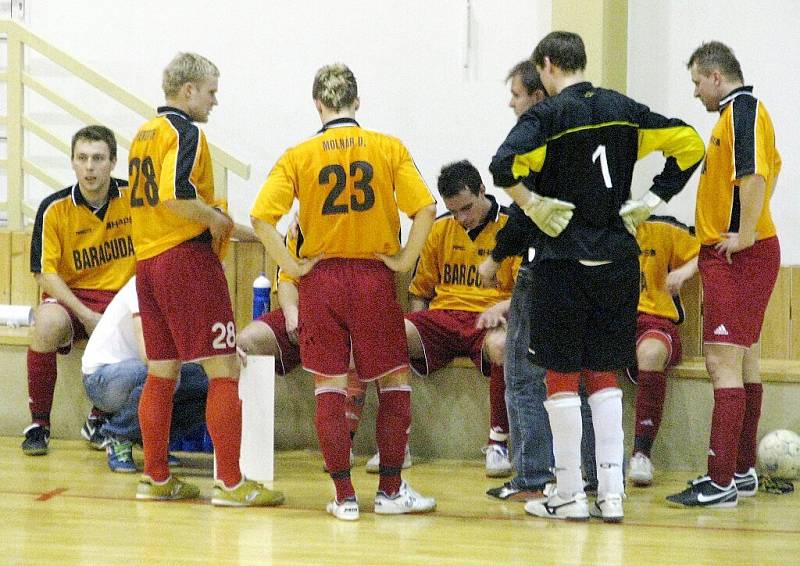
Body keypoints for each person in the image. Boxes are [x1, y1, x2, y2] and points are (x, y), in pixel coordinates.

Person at [490, 31, 705, 522]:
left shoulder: (546, 115)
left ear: (546, 65)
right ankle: (611, 493)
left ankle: (568, 494)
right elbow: (690, 143)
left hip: (562, 262)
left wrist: (532, 203)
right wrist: (654, 199)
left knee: (561, 376)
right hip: (617, 260)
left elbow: (503, 165)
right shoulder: (625, 108)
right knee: (605, 375)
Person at [251, 63, 437, 521]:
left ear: (318, 104)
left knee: (328, 388)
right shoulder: (387, 147)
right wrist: (405, 261)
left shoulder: (298, 154)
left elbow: (260, 219)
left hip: (322, 280)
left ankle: (344, 496)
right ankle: (391, 492)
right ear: (358, 101)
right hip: (373, 276)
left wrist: (291, 265)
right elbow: (426, 208)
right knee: (394, 382)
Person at [128, 52, 283, 506]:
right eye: (211, 91)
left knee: (161, 373)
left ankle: (155, 477)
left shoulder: (143, 133)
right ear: (189, 90)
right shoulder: (185, 131)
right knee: (224, 369)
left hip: (148, 263)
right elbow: (175, 196)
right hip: (184, 261)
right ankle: (232, 484)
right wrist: (215, 217)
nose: (215, 102)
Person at [667, 41, 781, 508]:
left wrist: (746, 235)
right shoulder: (729, 118)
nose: (695, 92)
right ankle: (741, 470)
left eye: (697, 82)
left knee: (721, 363)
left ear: (717, 77)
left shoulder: (743, 111)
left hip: (743, 257)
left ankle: (720, 482)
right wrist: (701, 259)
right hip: (729, 254)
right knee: (745, 360)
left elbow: (753, 176)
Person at [483, 60, 596, 500]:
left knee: (524, 374)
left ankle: (532, 475)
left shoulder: (535, 141)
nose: (510, 103)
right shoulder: (583, 138)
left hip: (545, 268)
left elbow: (528, 211)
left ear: (536, 94)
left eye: (515, 94)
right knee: (579, 375)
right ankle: (588, 473)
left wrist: (496, 256)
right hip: (586, 267)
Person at [236, 232, 413, 472]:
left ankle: (349, 446)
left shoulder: (370, 225)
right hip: (305, 311)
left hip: (347, 314)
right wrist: (291, 314)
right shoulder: (300, 226)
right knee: (248, 340)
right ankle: (244, 455)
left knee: (360, 339)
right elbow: (287, 280)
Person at [401, 159, 519, 477]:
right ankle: (397, 442)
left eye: (467, 208)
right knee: (390, 335)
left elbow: (530, 293)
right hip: (445, 316)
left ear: (482, 190)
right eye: (454, 211)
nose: (462, 219)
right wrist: (417, 332)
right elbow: (420, 291)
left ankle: (498, 443)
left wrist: (502, 308)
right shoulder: (439, 228)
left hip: (490, 317)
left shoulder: (513, 226)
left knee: (503, 346)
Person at [23, 125, 135, 456]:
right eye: (82, 158)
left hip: (120, 298)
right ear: (72, 162)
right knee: (45, 324)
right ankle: (39, 424)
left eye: (98, 158)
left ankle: (99, 420)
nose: (90, 167)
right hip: (72, 298)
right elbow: (45, 273)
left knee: (146, 324)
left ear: (113, 162)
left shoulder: (134, 200)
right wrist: (85, 314)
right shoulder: (54, 207)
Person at [82, 276, 209, 473]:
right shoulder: (144, 282)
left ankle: (152, 443)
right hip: (102, 378)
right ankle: (117, 435)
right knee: (164, 373)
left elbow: (200, 345)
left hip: (137, 371)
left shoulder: (190, 287)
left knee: (207, 383)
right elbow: (149, 354)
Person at [626, 217, 699, 486]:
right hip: (610, 322)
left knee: (651, 353)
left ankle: (642, 454)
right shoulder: (595, 235)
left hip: (655, 321)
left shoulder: (661, 229)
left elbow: (705, 250)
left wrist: (684, 272)